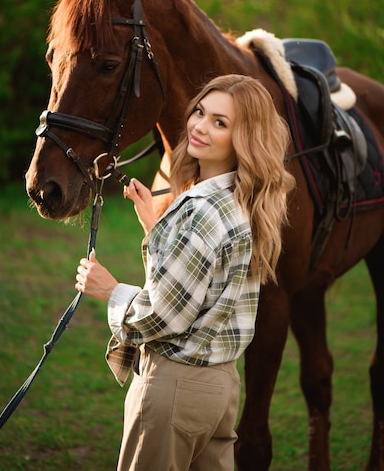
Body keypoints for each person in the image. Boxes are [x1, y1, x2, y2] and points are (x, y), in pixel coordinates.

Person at [75, 74, 295, 471]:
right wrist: (156, 232)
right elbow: (198, 288)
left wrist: (111, 291)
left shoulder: (200, 212)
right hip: (219, 388)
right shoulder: (241, 201)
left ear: (245, 138)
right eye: (199, 112)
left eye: (220, 123)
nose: (199, 126)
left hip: (175, 386)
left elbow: (166, 315)